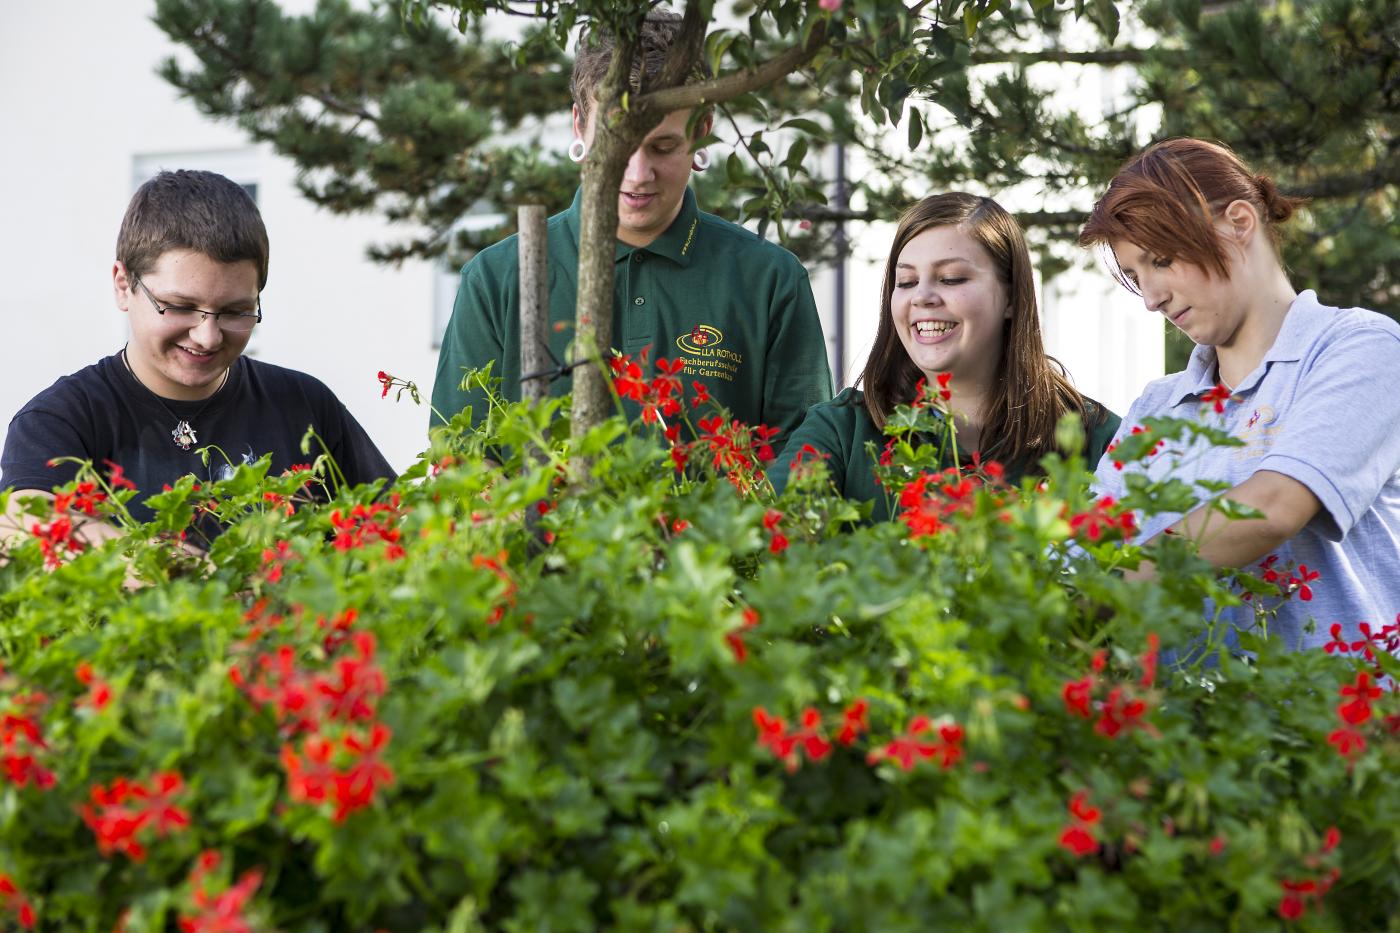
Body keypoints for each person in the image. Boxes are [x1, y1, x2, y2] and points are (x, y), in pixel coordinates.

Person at [431, 10, 832, 441]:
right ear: (580, 126)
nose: (638, 173)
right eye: (617, 141)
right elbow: (459, 459)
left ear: (702, 132)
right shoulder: (497, 279)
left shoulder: (770, 281)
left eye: (663, 146)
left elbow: (805, 465)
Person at [1079, 137, 1400, 652]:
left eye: (1161, 259)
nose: (1152, 298)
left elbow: (1273, 508)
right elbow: (1088, 547)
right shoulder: (1157, 406)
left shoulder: (1359, 348)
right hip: (1186, 727)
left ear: (1239, 222)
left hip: (1336, 723)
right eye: (1137, 277)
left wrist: (1107, 585)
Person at [1, 170, 394, 550]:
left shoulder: (304, 403)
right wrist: (177, 569)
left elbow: (397, 526)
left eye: (236, 311)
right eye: (179, 307)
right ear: (123, 285)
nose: (207, 336)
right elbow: (24, 525)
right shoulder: (61, 419)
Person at [770, 193, 1119, 521]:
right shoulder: (841, 431)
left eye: (951, 278)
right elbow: (759, 551)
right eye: (905, 281)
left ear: (1012, 298)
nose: (922, 296)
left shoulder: (1097, 438)